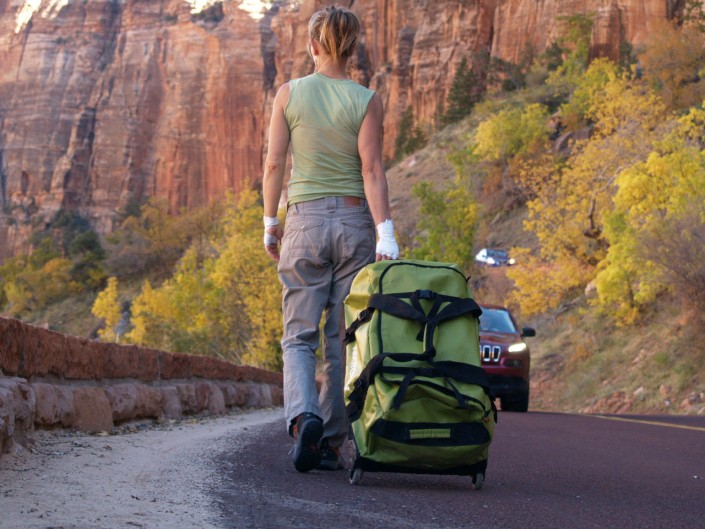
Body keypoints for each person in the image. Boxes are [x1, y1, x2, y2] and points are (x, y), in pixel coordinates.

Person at [262, 5, 399, 473]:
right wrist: (387, 235)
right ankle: (331, 443)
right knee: (343, 339)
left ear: (314, 45)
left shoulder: (289, 94)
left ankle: (304, 420)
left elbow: (275, 165)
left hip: (302, 222)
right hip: (355, 222)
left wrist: (269, 223)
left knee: (298, 336)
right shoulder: (366, 99)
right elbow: (372, 170)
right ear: (352, 47)